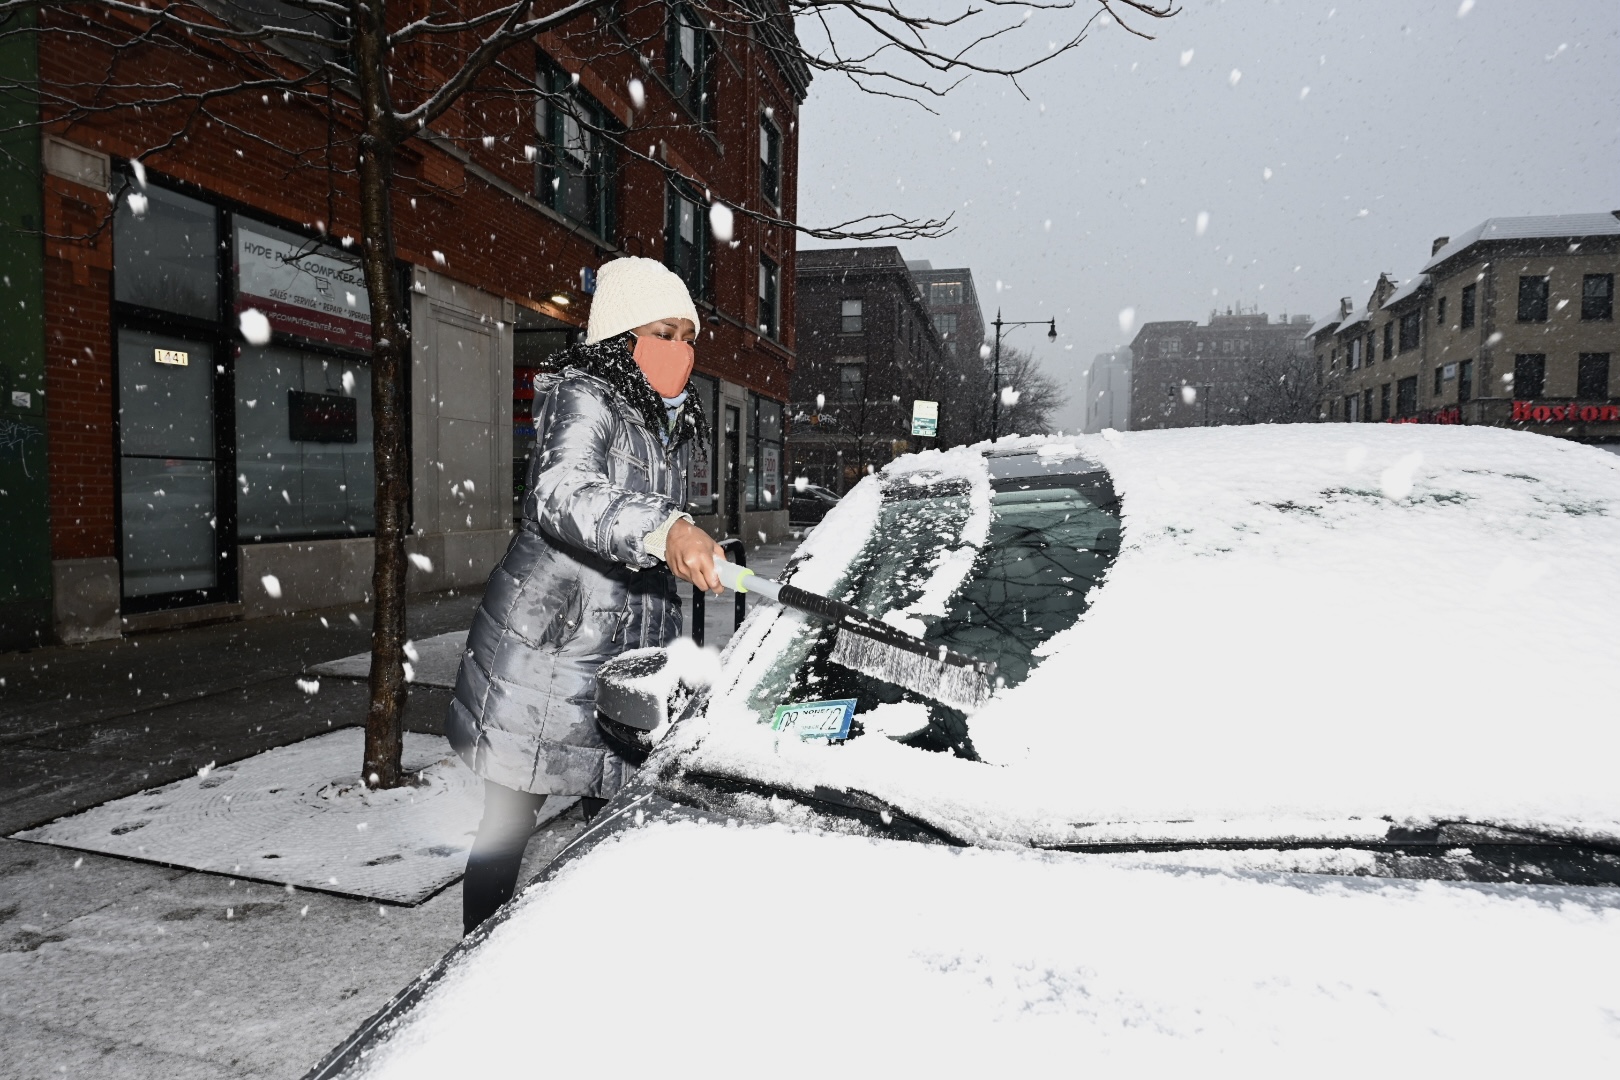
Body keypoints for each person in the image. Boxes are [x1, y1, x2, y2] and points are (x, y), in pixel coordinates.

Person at [446, 256, 725, 935]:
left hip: (621, 648)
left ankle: (588, 954)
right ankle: (472, 960)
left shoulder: (669, 426)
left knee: (617, 814)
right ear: (624, 335)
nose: (680, 351)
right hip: (547, 647)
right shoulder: (585, 399)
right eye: (665, 331)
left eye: (689, 337)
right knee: (510, 816)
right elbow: (562, 495)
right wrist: (668, 530)